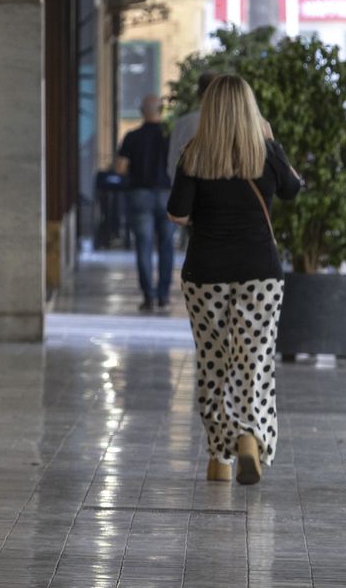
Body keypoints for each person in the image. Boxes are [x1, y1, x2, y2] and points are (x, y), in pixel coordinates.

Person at [167, 75, 302, 485]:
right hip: (259, 272)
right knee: (253, 359)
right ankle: (249, 435)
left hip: (206, 272)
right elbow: (294, 188)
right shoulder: (266, 152)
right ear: (250, 109)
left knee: (212, 360)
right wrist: (270, 139)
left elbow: (177, 213)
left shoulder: (194, 154)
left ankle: (218, 457)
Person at [117, 94, 174, 311]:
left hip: (139, 194)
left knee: (144, 245)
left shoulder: (132, 137)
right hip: (167, 195)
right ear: (161, 111)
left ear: (142, 111)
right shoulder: (170, 136)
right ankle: (164, 295)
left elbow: (121, 168)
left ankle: (148, 296)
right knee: (167, 245)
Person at [166, 70, 219, 183]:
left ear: (199, 94)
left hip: (189, 190)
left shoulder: (184, 123)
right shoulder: (233, 124)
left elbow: (173, 162)